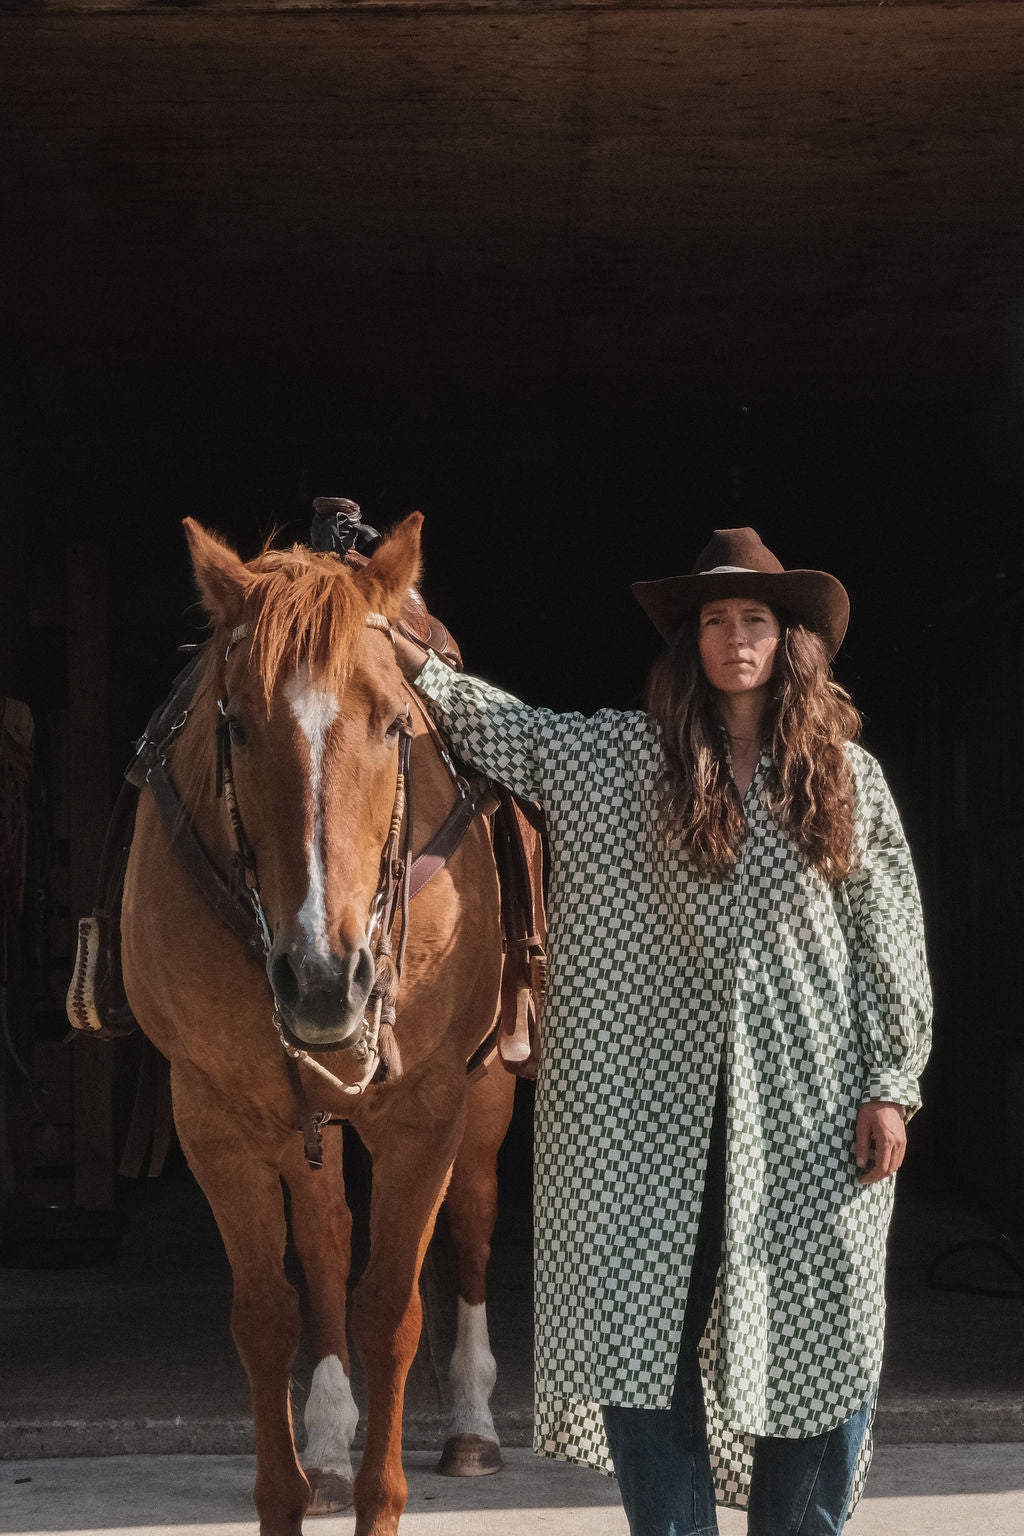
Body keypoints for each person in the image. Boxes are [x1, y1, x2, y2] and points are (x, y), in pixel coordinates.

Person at [394, 526, 931, 1536]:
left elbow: (887, 936)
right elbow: (506, 728)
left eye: (755, 620)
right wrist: (395, 640)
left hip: (809, 1115)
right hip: (643, 1121)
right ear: (690, 643)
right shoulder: (613, 760)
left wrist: (890, 1082)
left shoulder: (845, 780)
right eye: (716, 621)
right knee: (642, 1347)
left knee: (825, 1335)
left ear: (789, 639)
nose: (735, 639)